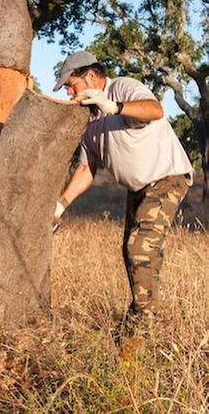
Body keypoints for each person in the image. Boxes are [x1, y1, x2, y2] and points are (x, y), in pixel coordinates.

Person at [52, 50, 193, 328]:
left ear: (90, 76)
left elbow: (155, 110)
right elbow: (85, 170)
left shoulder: (123, 87)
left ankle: (145, 326)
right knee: (132, 251)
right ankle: (145, 313)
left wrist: (114, 106)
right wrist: (59, 206)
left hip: (167, 177)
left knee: (139, 247)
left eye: (71, 85)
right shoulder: (88, 120)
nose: (69, 93)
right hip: (138, 189)